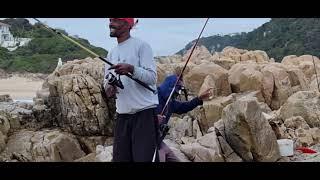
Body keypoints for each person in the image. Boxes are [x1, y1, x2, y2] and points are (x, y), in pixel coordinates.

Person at [104, 18, 159, 162]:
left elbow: (152, 77)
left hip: (144, 115)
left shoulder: (142, 46)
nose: (111, 23)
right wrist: (110, 88)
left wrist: (131, 69)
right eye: (110, 20)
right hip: (122, 116)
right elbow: (107, 87)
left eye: (116, 20)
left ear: (128, 24)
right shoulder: (111, 54)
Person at [156, 74, 212, 162]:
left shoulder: (171, 103)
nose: (177, 93)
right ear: (170, 86)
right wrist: (154, 120)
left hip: (158, 142)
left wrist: (199, 99)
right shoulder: (152, 98)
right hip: (147, 142)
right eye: (177, 89)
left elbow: (184, 107)